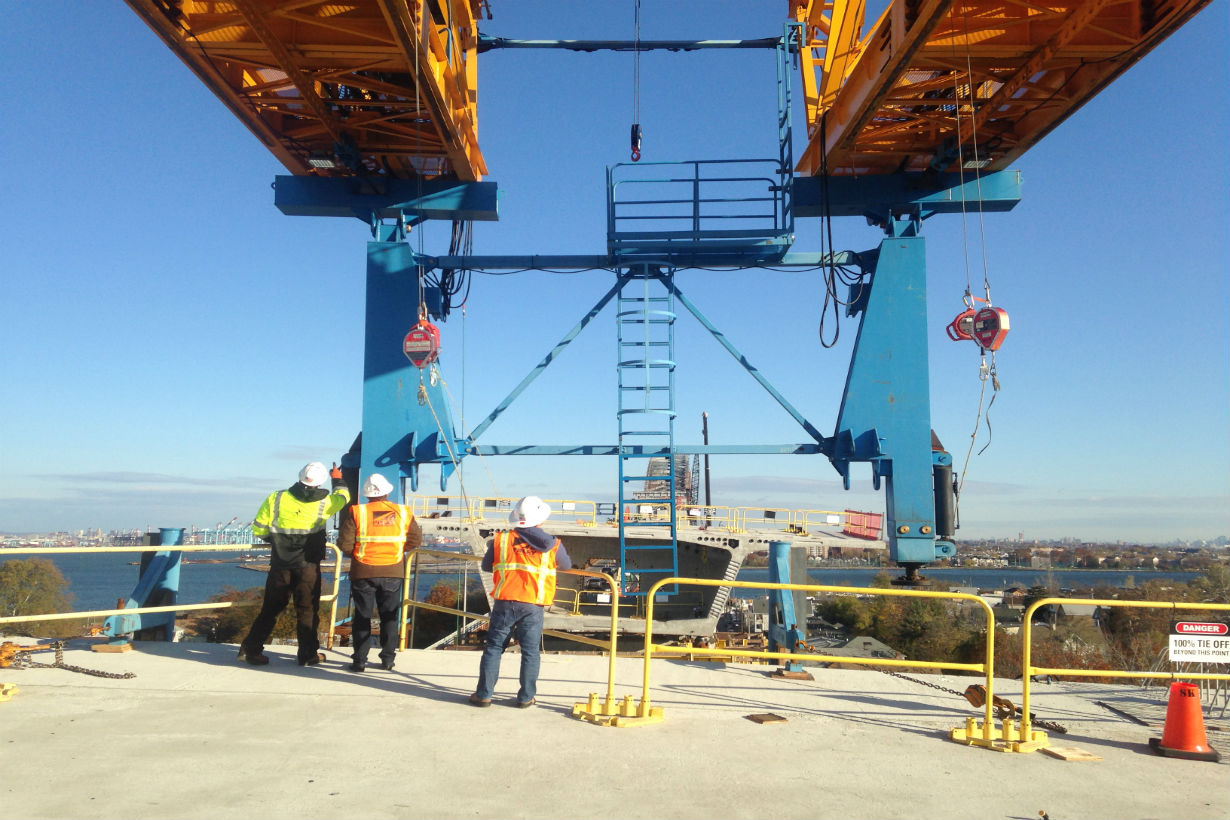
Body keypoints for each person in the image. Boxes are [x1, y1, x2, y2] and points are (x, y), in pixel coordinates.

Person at [237, 461, 350, 667]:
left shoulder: (276, 498)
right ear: (321, 481)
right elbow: (344, 496)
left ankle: (250, 650)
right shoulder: (326, 501)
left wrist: (278, 542)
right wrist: (338, 478)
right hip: (307, 566)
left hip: (280, 564)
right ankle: (307, 655)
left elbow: (259, 529)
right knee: (307, 610)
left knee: (270, 609)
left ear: (300, 477)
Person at [469, 496, 571, 708]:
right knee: (530, 651)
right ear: (541, 520)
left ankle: (484, 694)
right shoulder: (553, 544)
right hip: (533, 604)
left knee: (494, 648)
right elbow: (567, 565)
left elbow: (488, 566)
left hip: (505, 601)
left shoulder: (501, 540)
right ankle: (526, 698)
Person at [337, 473, 421, 672]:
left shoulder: (358, 512)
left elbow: (344, 543)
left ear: (367, 494)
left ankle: (359, 660)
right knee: (389, 617)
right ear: (387, 492)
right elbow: (415, 540)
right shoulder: (403, 512)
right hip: (393, 570)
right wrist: (398, 550)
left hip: (363, 570)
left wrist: (359, 554)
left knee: (362, 616)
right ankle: (388, 659)